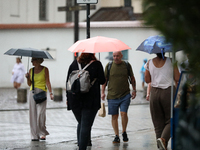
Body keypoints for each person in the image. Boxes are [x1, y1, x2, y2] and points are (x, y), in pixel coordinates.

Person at [66, 53, 106, 150]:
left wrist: (68, 98)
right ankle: (82, 147)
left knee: (81, 123)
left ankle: (81, 145)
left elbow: (68, 81)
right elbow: (102, 80)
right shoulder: (97, 64)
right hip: (90, 99)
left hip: (74, 98)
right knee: (85, 125)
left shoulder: (74, 63)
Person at [144, 53, 180, 150]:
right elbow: (177, 78)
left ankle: (160, 146)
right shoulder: (172, 61)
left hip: (154, 93)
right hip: (168, 92)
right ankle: (163, 139)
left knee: (157, 123)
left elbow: (147, 80)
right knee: (170, 119)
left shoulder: (149, 62)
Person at [101, 51, 136, 143]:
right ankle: (116, 135)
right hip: (112, 96)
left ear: (121, 56)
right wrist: (102, 92)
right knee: (114, 116)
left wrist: (134, 90)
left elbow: (132, 78)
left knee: (123, 114)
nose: (115, 58)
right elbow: (104, 80)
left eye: (117, 56)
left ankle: (124, 131)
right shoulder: (109, 66)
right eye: (114, 56)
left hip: (125, 95)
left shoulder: (127, 65)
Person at [25, 57, 54, 141]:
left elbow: (48, 81)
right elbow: (29, 84)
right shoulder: (31, 70)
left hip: (42, 92)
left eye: (33, 60)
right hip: (33, 92)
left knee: (41, 114)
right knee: (32, 114)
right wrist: (27, 78)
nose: (31, 62)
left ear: (38, 61)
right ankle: (34, 135)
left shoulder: (45, 69)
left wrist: (50, 93)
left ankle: (42, 132)